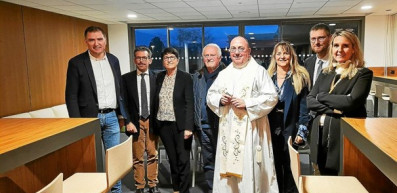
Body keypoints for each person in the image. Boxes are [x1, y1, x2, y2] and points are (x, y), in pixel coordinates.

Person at [207, 36, 279, 193]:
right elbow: (210, 96)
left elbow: (271, 97)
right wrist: (220, 99)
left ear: (249, 51)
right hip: (228, 129)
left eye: (241, 48)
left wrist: (248, 103)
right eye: (233, 49)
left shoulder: (258, 71)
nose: (237, 52)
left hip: (251, 130)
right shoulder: (225, 73)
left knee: (248, 166)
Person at [65, 26, 127, 193]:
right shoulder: (76, 63)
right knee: (90, 161)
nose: (96, 43)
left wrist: (121, 115)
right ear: (86, 42)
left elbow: (119, 89)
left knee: (114, 161)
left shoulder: (114, 60)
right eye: (92, 40)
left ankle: (115, 191)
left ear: (105, 41)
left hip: (112, 117)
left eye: (99, 39)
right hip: (89, 119)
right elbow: (71, 96)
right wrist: (78, 123)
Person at [307, 30, 373, 175]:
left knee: (341, 175)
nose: (339, 50)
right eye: (336, 45)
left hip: (342, 134)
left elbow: (351, 101)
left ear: (354, 48)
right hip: (319, 132)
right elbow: (310, 101)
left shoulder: (362, 74)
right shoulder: (326, 72)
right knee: (321, 174)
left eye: (345, 46)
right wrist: (336, 109)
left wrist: (322, 96)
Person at [267, 41, 311, 193]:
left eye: (285, 53)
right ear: (274, 57)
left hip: (291, 129)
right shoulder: (267, 77)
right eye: (278, 53)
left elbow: (304, 108)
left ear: (291, 55)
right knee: (273, 167)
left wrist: (302, 131)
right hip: (270, 130)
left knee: (290, 168)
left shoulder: (300, 76)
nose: (282, 56)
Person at [154, 47, 194, 193]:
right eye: (166, 58)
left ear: (177, 60)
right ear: (163, 61)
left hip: (181, 125)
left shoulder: (185, 77)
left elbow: (190, 103)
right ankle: (176, 189)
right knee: (172, 159)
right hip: (163, 124)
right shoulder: (159, 77)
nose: (169, 60)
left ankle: (184, 190)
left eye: (172, 57)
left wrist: (189, 127)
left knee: (183, 160)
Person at [122, 46, 160, 193]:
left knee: (152, 154)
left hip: (152, 121)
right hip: (135, 121)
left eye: (144, 58)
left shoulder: (157, 77)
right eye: (138, 58)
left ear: (150, 60)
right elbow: (123, 101)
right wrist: (127, 121)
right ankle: (139, 186)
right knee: (137, 156)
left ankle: (152, 184)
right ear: (134, 60)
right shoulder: (126, 79)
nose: (141, 60)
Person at [192, 43, 226, 192]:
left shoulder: (227, 75)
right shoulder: (197, 77)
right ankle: (213, 188)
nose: (209, 58)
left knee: (225, 159)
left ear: (219, 57)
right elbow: (193, 100)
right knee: (209, 160)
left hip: (223, 126)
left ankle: (225, 188)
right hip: (203, 127)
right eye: (206, 55)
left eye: (212, 55)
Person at [304, 23, 332, 87]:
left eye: (321, 38)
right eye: (313, 39)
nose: (317, 42)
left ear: (330, 38)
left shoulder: (337, 62)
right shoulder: (308, 62)